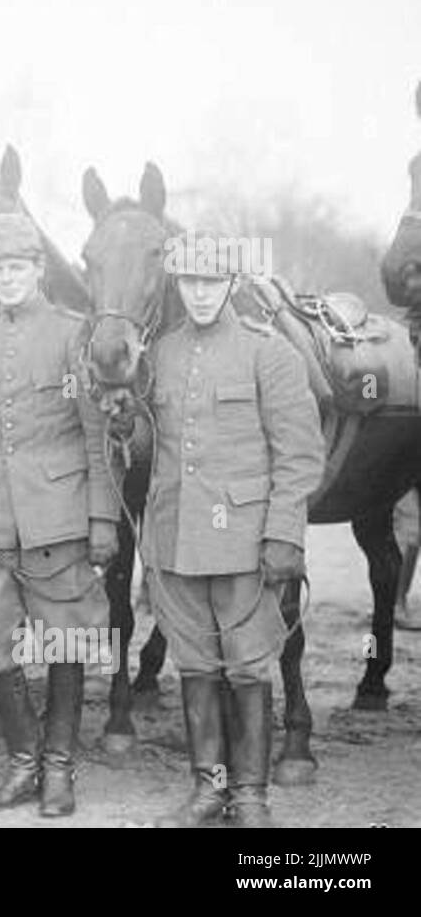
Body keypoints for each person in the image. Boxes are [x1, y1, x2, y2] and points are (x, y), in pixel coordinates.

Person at [146, 228, 323, 827]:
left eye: (212, 281)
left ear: (232, 283)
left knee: (248, 666)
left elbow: (300, 454)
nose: (200, 294)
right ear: (178, 284)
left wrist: (283, 535)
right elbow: (155, 445)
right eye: (190, 282)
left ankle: (251, 796)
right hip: (175, 538)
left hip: (245, 541)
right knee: (195, 666)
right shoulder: (163, 352)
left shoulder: (267, 351)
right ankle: (208, 791)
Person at [0, 212, 120, 817]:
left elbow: (95, 431)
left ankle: (58, 768)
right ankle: (24, 759)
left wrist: (103, 519)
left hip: (60, 513)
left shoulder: (74, 335)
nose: (7, 278)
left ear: (38, 269)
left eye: (17, 266)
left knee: (67, 641)